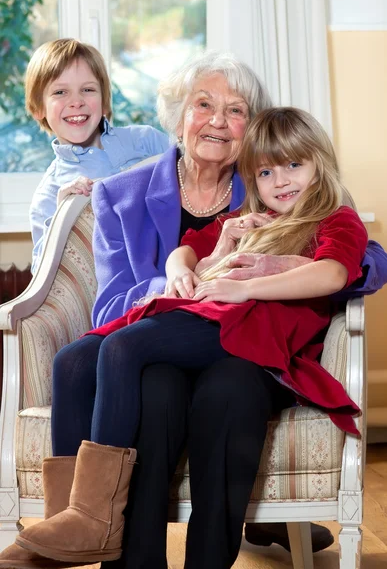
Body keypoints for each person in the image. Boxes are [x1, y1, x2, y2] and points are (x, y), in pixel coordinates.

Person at [1, 54, 385, 569]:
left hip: (234, 340)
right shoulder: (126, 194)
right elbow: (124, 293)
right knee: (88, 364)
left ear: (252, 129)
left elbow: (357, 257)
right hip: (179, 328)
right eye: (204, 105)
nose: (219, 121)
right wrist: (184, 273)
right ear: (179, 115)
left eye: (236, 111)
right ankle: (83, 525)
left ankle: (101, 521)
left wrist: (278, 265)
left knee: (203, 380)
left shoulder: (273, 189)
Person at [25, 38, 169, 273]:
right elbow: (46, 278)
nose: (76, 102)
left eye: (88, 89)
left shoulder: (147, 141)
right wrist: (63, 216)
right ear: (38, 108)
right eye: (60, 92)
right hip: (119, 289)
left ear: (104, 101)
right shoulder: (49, 196)